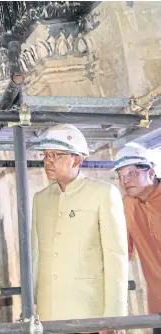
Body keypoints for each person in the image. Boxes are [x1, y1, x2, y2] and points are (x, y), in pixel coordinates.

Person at [30, 124, 128, 332]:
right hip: (48, 313)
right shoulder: (41, 199)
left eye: (55, 155)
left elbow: (115, 259)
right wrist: (32, 307)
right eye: (46, 155)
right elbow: (36, 255)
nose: (48, 161)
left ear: (76, 159)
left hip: (88, 312)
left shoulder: (103, 193)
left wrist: (115, 318)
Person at [113, 143, 161, 334]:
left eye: (132, 173)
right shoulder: (127, 205)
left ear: (150, 173)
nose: (125, 181)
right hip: (158, 305)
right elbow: (122, 251)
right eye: (121, 176)